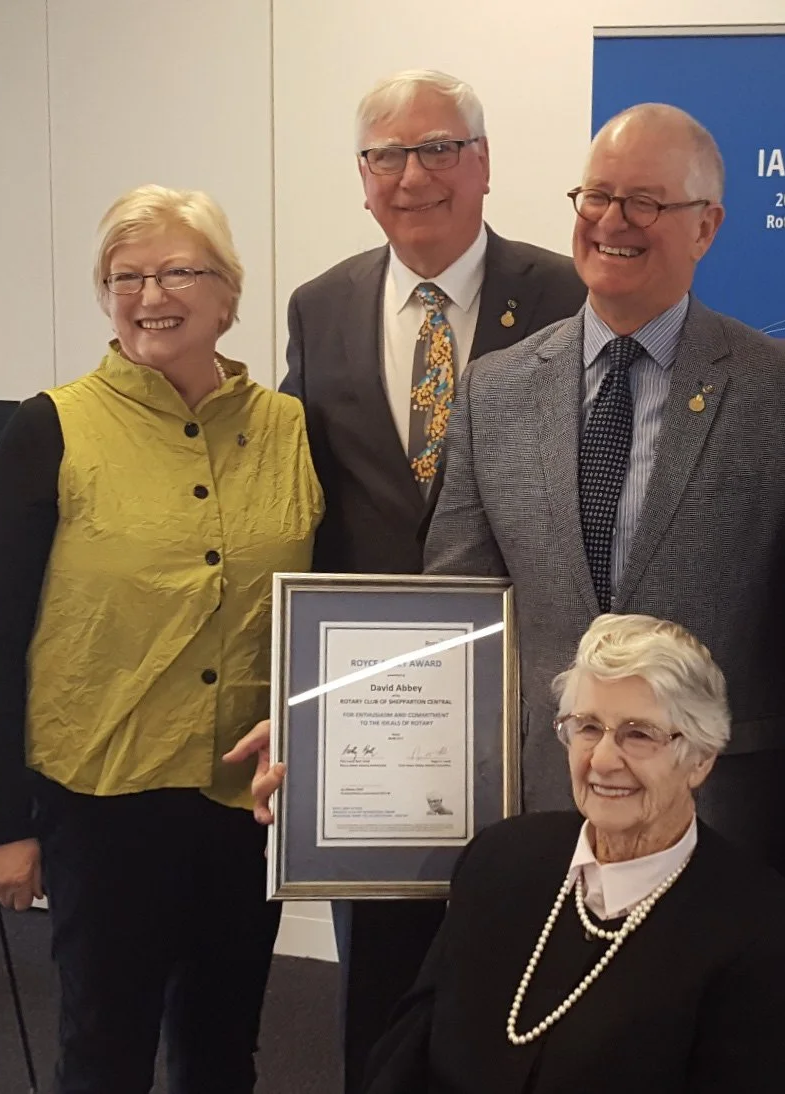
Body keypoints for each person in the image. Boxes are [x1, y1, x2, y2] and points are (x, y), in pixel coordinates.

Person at [0, 184, 323, 1094]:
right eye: (126, 276)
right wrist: (2, 826)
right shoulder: (51, 428)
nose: (150, 293)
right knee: (104, 1050)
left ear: (229, 294)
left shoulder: (289, 428)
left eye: (176, 271)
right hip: (101, 801)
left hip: (246, 800)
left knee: (221, 1047)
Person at [422, 102, 785, 868]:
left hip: (721, 812)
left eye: (646, 201)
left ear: (706, 227)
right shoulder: (494, 390)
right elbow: (455, 608)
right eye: (598, 196)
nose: (614, 220)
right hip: (548, 804)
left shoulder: (782, 391)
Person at [273, 68, 587, 1092]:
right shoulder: (319, 305)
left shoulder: (566, 293)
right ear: (363, 180)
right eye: (388, 156)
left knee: (530, 949)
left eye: (441, 149)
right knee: (383, 972)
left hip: (530, 691)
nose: (415, 176)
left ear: (485, 164)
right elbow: (301, 493)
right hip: (378, 711)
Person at [362, 614, 785, 1094]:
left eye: (639, 734)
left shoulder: (766, 932)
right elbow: (409, 1051)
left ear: (701, 758)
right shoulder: (499, 860)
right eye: (587, 727)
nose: (601, 760)